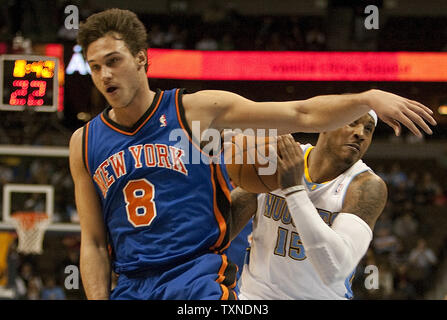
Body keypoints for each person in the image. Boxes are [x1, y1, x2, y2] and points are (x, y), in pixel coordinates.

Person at [68, 8, 436, 300]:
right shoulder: (84, 142)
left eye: (113, 61)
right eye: (95, 66)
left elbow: (300, 113)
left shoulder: (197, 111)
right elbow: (94, 242)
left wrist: (367, 98)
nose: (104, 75)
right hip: (131, 283)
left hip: (194, 279)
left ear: (141, 59)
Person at [232, 111, 389, 299]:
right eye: (352, 122)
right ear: (326, 123)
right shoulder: (279, 158)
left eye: (368, 129)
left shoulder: (367, 186)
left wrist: (294, 189)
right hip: (255, 296)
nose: (360, 133)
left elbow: (335, 268)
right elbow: (227, 224)